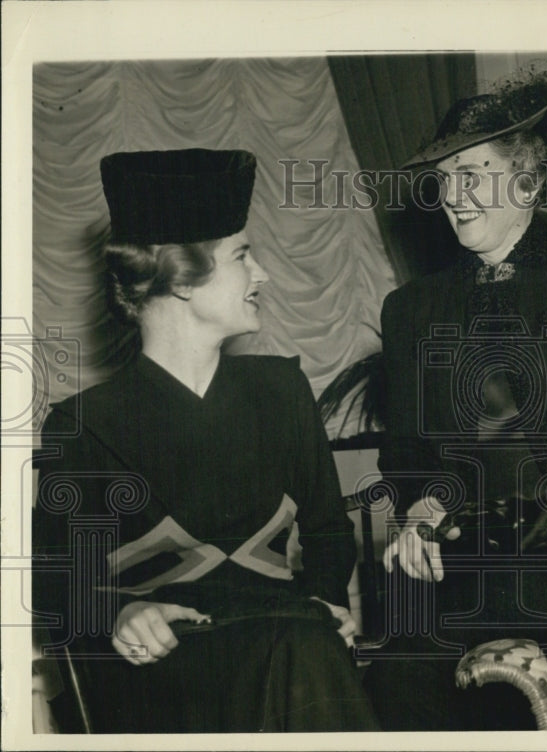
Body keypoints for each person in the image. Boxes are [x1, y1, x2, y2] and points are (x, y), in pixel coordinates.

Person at [32, 148, 378, 732]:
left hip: (289, 635)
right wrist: (121, 611)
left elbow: (327, 532)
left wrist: (327, 599)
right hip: (166, 672)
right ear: (183, 278)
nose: (261, 273)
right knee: (304, 651)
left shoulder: (281, 389)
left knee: (310, 646)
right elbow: (52, 577)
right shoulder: (85, 425)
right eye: (243, 255)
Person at [363, 71, 547, 730]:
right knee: (397, 684)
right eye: (442, 177)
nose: (451, 196)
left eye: (471, 173)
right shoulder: (410, 310)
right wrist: (423, 502)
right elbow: (404, 448)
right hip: (456, 566)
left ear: (526, 175)